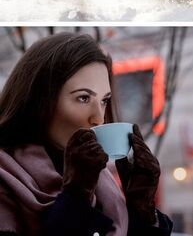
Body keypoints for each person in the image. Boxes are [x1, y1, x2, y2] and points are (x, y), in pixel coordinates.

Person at [0, 32, 173, 236]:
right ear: (39, 101)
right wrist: (76, 196)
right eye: (83, 98)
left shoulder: (102, 184)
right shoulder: (6, 179)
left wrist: (141, 208)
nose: (98, 118)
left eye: (104, 101)